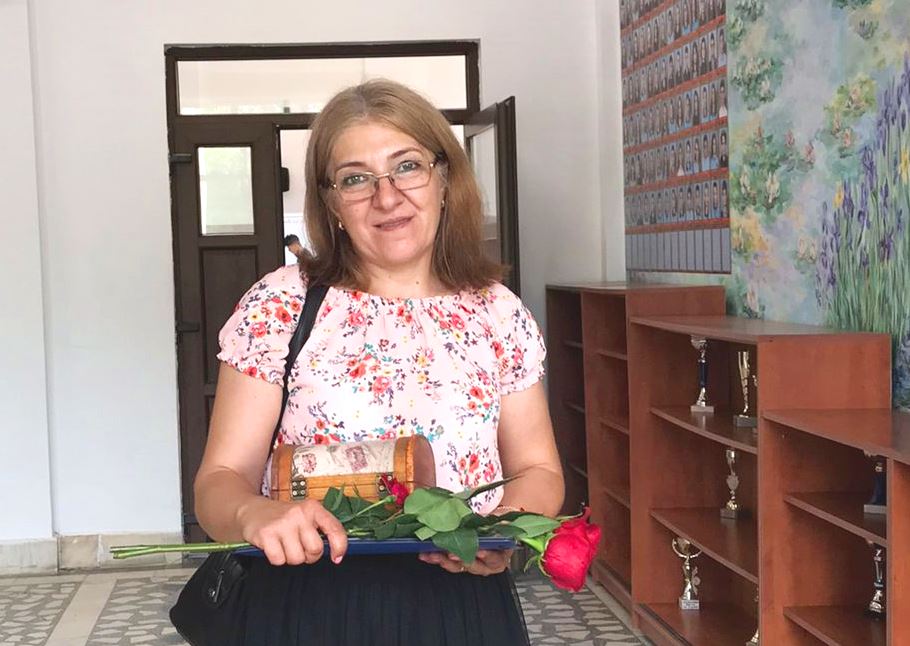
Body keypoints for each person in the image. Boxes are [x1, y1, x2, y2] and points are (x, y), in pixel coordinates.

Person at [192, 79, 564, 646]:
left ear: (445, 179)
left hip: (462, 607)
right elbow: (218, 481)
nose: (387, 197)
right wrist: (252, 515)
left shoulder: (498, 312)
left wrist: (501, 530)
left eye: (407, 166)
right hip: (307, 606)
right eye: (356, 178)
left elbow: (538, 469)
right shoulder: (282, 304)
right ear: (332, 203)